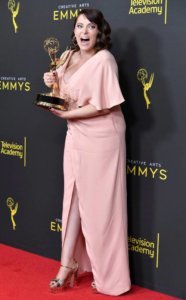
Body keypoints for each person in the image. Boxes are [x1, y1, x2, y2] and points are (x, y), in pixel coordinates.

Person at [43, 8, 131, 296]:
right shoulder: (67, 56)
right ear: (74, 30)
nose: (84, 32)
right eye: (79, 26)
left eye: (90, 27)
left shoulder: (105, 60)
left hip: (104, 136)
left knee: (101, 208)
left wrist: (67, 116)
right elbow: (62, 96)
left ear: (99, 32)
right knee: (73, 199)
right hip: (76, 135)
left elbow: (103, 105)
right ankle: (67, 265)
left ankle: (109, 276)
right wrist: (51, 82)